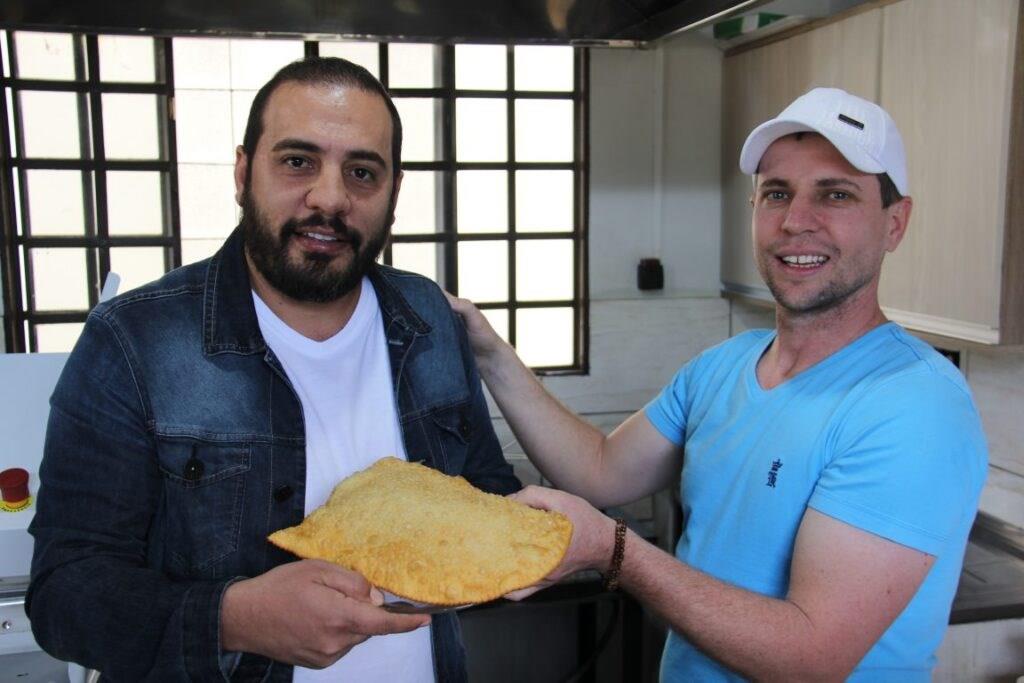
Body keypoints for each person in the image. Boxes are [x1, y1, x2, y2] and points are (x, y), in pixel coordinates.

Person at [449, 87, 988, 681]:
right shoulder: (723, 367)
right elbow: (599, 470)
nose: (795, 221)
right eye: (776, 193)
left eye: (836, 194)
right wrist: (487, 350)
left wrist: (612, 550)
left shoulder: (915, 405)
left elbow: (810, 658)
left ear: (895, 223)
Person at [27, 56, 519, 682]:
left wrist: (553, 537)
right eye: (297, 162)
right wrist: (235, 617)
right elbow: (64, 594)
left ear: (394, 190)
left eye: (362, 172)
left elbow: (484, 495)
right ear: (242, 172)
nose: (330, 198)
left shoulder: (427, 318)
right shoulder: (135, 341)